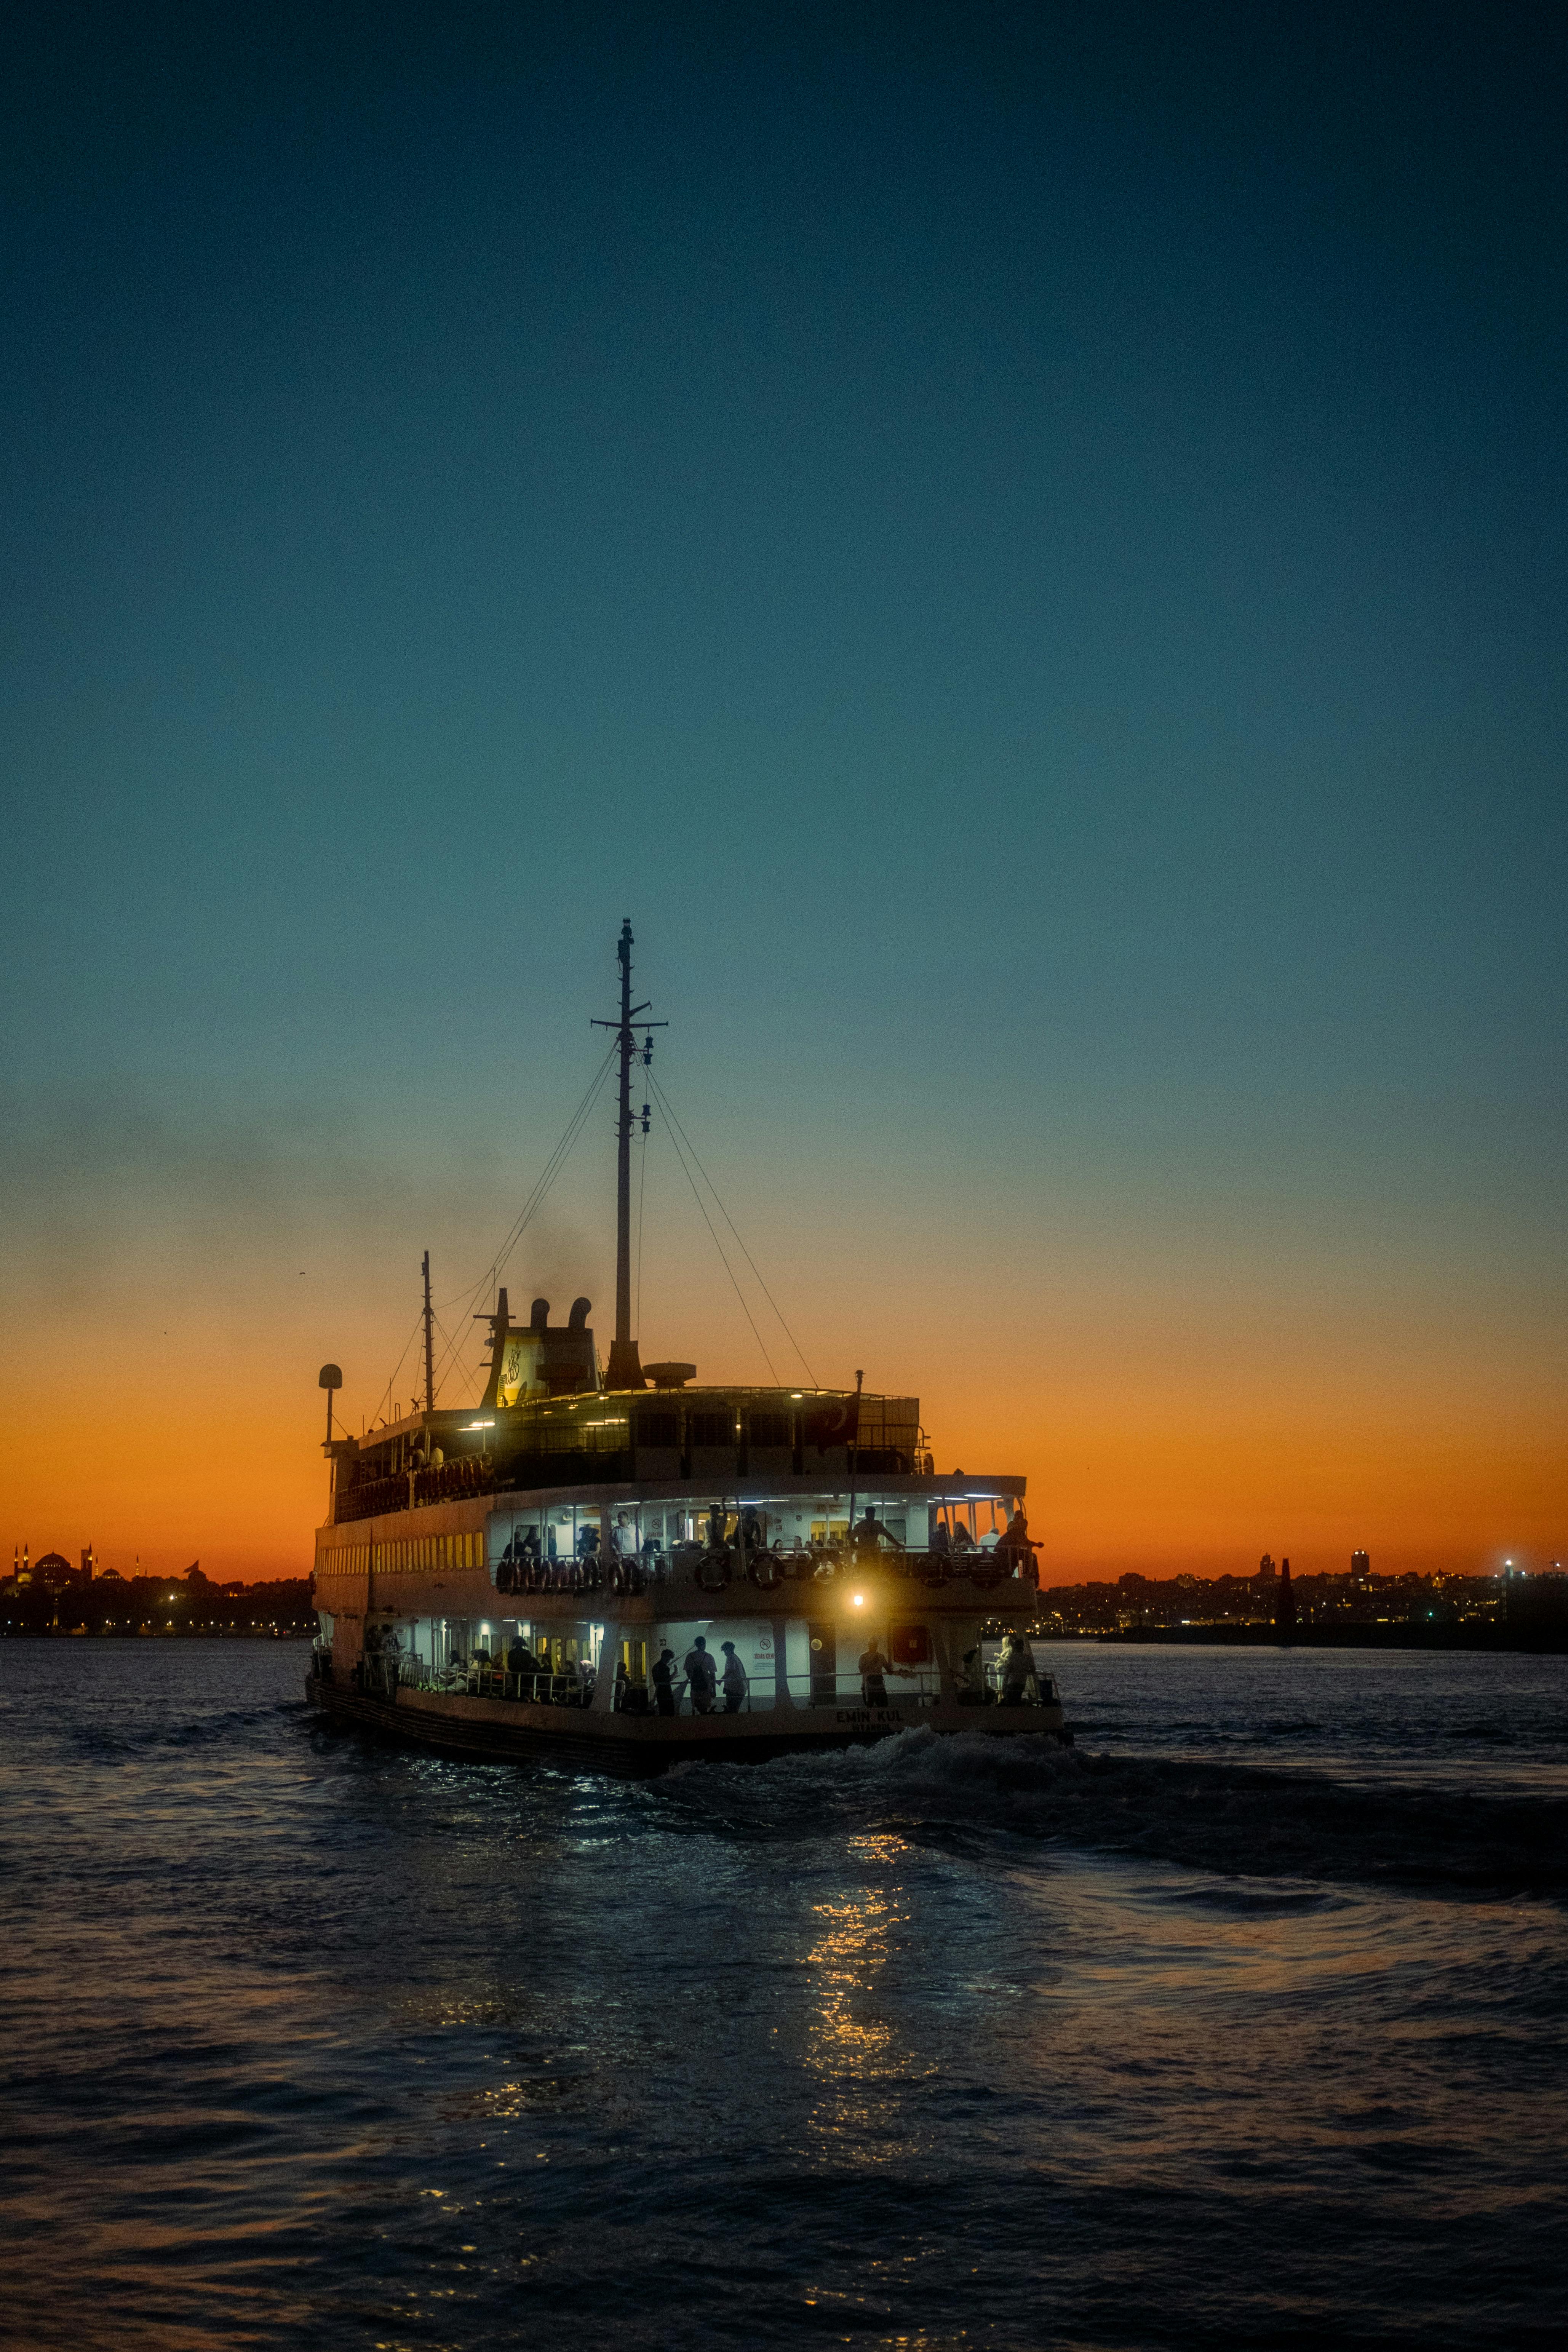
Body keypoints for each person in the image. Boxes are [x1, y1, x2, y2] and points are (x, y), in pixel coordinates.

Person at [997, 1629, 1036, 1705]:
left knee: (1010, 1699)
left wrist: (1004, 1684)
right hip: (1022, 1682)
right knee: (1017, 1697)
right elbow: (1033, 1669)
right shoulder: (1027, 1657)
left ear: (1015, 1647)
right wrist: (1024, 1672)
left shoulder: (1012, 1657)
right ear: (1023, 1647)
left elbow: (1008, 1670)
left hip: (1012, 1682)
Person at [684, 1635, 717, 1714]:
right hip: (707, 1686)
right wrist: (714, 1690)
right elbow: (712, 1675)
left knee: (698, 1706)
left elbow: (688, 1672)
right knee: (706, 1707)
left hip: (695, 1686)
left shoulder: (690, 1656)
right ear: (704, 1644)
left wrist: (694, 1679)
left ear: (696, 1645)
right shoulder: (709, 1657)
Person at [858, 1638, 890, 1707]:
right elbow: (862, 1671)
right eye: (873, 1645)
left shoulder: (880, 1656)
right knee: (879, 1708)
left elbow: (889, 1670)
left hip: (874, 1686)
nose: (874, 1647)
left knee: (878, 1707)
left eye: (875, 1645)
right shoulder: (864, 1657)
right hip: (872, 1686)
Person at [719, 1641, 749, 1713]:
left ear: (728, 1650)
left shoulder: (731, 1658)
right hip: (740, 1688)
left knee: (732, 1710)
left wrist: (721, 1680)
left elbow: (730, 1671)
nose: (725, 1654)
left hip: (735, 1689)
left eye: (725, 1651)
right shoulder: (736, 1658)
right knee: (735, 1710)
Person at [651, 1646, 679, 1716]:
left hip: (659, 1693)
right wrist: (676, 1672)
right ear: (667, 1657)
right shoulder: (665, 1668)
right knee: (670, 1712)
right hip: (667, 1693)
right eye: (669, 1658)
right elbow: (668, 1680)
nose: (669, 1661)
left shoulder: (656, 1667)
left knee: (663, 1712)